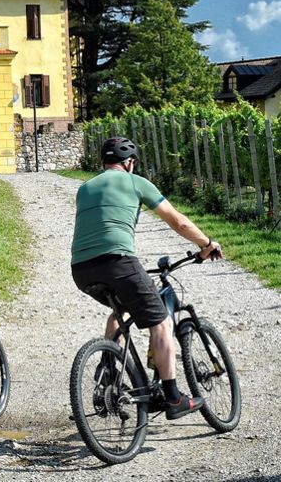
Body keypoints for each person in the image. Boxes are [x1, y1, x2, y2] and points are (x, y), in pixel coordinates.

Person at [71, 137, 223, 420]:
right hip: (118, 261)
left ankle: (108, 371)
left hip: (81, 269)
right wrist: (206, 243)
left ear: (104, 162)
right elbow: (177, 221)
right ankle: (174, 397)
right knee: (161, 322)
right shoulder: (135, 182)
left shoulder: (84, 188)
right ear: (129, 163)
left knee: (120, 309)